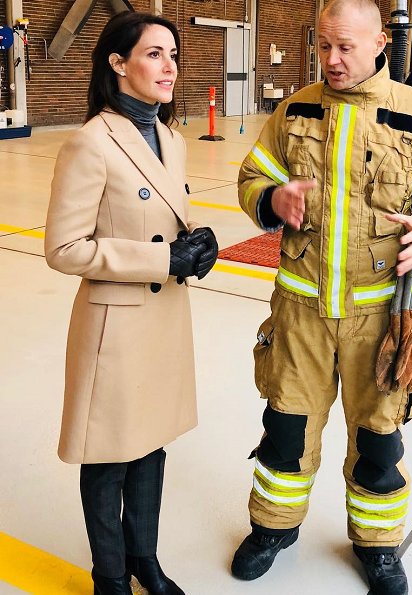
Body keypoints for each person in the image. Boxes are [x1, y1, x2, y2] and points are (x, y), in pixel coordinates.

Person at [231, 1, 412, 594]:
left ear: (379, 45)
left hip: (381, 318)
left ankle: (377, 544)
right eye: (324, 46)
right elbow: (252, 176)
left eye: (345, 46)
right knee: (285, 432)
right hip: (300, 315)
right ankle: (273, 528)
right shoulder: (296, 110)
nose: (332, 59)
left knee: (378, 441)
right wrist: (271, 199)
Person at [44, 11, 218, 595]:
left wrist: (197, 243)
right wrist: (161, 260)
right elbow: (64, 248)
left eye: (173, 55)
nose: (170, 67)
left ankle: (145, 560)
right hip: (115, 325)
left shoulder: (171, 138)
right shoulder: (89, 143)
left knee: (150, 446)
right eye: (154, 54)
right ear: (118, 64)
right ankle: (111, 577)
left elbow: (166, 216)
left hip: (162, 318)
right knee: (109, 456)